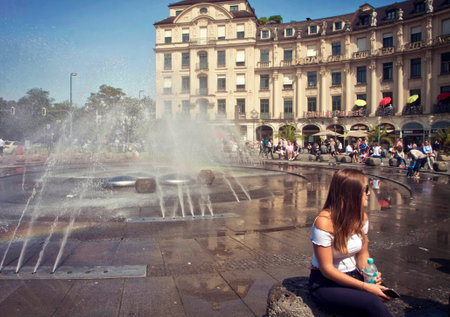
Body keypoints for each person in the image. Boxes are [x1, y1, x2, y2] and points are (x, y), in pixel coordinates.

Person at [309, 169, 393, 317]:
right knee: (373, 303)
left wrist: (370, 272)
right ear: (351, 193)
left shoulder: (362, 218)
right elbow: (327, 269)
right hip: (326, 283)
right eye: (366, 189)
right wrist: (364, 286)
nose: (369, 192)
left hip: (353, 275)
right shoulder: (323, 222)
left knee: (384, 292)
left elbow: (363, 254)